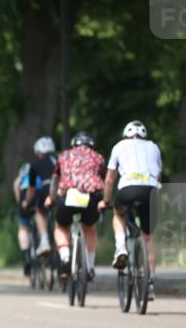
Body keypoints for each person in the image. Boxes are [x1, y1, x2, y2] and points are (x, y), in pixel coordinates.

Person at [99, 120, 162, 300]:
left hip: (127, 190)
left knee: (118, 214)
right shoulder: (154, 147)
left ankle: (121, 248)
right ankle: (150, 284)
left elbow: (110, 179)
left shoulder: (119, 146)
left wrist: (106, 200)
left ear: (126, 135)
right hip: (149, 191)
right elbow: (158, 176)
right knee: (148, 237)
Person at [45, 132, 106, 279]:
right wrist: (103, 201)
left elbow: (55, 179)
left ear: (74, 144)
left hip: (67, 195)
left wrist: (51, 198)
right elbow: (103, 181)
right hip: (91, 197)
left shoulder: (64, 156)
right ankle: (90, 266)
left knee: (61, 226)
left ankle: (65, 256)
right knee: (89, 227)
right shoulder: (98, 157)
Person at [15, 137, 56, 275]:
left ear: (38, 151)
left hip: (36, 193)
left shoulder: (33, 166)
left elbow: (28, 188)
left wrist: (24, 202)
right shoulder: (58, 162)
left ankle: (32, 250)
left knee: (33, 217)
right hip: (59, 193)